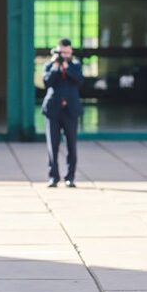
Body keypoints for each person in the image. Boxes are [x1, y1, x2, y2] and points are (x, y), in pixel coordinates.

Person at [41, 38, 84, 188]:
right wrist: (56, 66)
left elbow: (79, 81)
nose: (64, 55)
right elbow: (46, 82)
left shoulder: (76, 65)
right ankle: (53, 177)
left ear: (71, 51)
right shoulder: (50, 65)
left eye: (67, 52)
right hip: (53, 110)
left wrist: (67, 66)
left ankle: (70, 177)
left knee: (71, 144)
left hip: (70, 110)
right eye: (62, 52)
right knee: (52, 145)